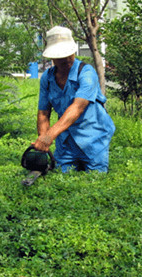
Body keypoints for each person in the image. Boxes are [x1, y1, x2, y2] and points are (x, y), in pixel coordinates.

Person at [33, 26, 115, 173]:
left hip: (93, 136)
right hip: (66, 141)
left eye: (68, 54)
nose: (65, 59)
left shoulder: (86, 72)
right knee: (62, 176)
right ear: (52, 57)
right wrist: (43, 140)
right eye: (60, 55)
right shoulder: (47, 77)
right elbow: (44, 113)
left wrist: (49, 136)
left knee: (96, 177)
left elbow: (77, 107)